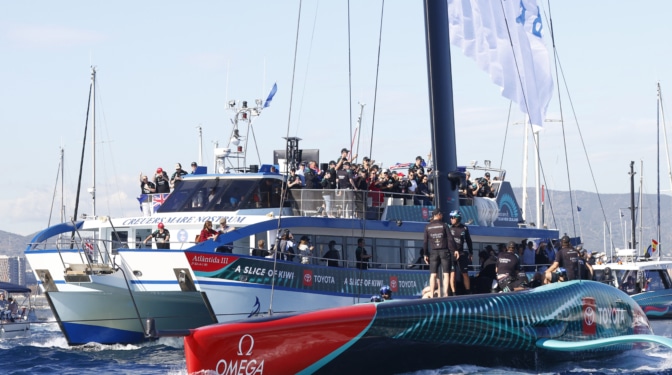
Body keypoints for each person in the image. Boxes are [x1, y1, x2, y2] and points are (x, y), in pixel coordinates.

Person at [422, 208, 457, 298]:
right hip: (444, 251)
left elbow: (425, 242)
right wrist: (455, 250)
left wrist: (425, 254)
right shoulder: (444, 225)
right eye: (441, 214)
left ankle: (432, 294)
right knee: (446, 274)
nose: (442, 216)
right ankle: (445, 294)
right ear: (437, 215)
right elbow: (450, 239)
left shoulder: (428, 226)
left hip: (433, 252)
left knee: (433, 275)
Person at [448, 210, 473, 295]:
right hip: (451, 254)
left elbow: (469, 241)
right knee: (452, 274)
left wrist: (471, 252)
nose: (451, 219)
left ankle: (468, 291)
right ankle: (453, 293)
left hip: (461, 253)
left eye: (453, 217)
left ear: (458, 218)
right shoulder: (449, 227)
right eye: (450, 217)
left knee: (465, 273)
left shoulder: (464, 228)